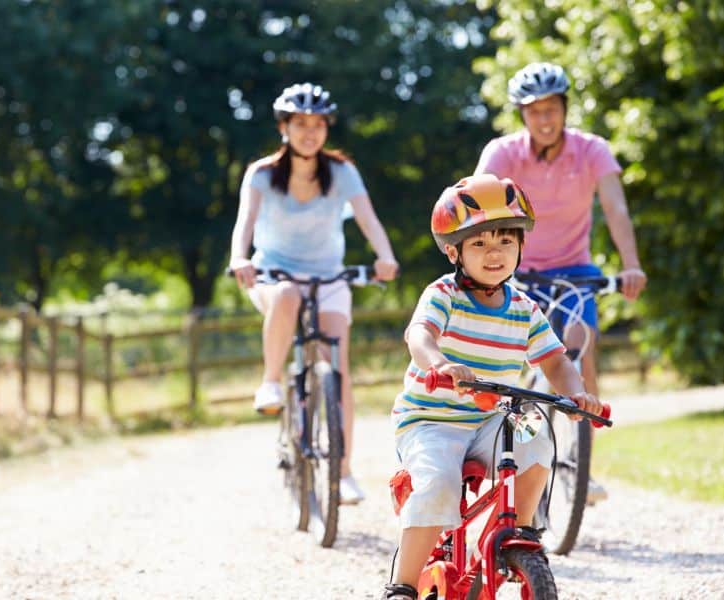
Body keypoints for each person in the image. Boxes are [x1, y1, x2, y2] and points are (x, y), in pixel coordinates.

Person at [382, 174, 601, 600]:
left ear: (521, 246)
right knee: (439, 483)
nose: (494, 252)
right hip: (432, 420)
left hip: (490, 418)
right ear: (454, 251)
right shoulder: (443, 294)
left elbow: (555, 360)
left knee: (537, 435)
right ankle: (402, 585)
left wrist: (575, 393)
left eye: (505, 241)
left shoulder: (523, 308)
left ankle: (517, 532)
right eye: (479, 243)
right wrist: (440, 363)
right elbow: (419, 336)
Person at [474, 62, 647, 503]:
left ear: (565, 108)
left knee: (578, 342)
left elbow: (616, 210)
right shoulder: (503, 152)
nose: (545, 119)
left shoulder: (592, 150)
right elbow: (478, 204)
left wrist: (631, 264)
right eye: (534, 111)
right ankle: (501, 449)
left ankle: (580, 465)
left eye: (552, 109)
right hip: (518, 271)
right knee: (509, 360)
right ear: (522, 115)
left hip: (574, 269)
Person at [229, 82, 399, 504]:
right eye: (300, 123)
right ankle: (270, 382)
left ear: (327, 129)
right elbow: (245, 222)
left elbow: (368, 219)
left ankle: (342, 473)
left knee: (336, 368)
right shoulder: (263, 174)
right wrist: (239, 258)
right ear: (284, 127)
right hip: (274, 275)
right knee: (286, 296)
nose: (310, 132)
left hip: (328, 278)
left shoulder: (341, 171)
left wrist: (385, 256)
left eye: (318, 124)